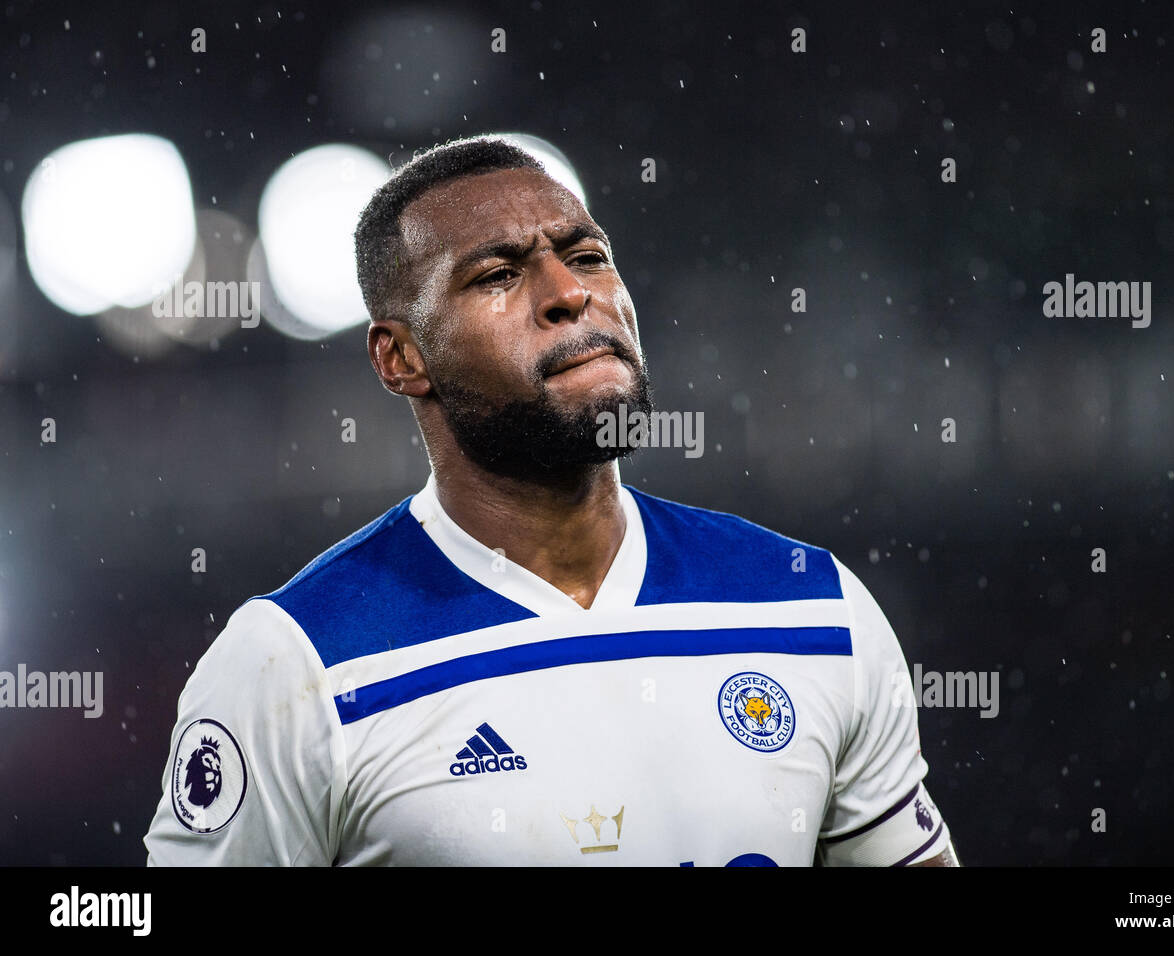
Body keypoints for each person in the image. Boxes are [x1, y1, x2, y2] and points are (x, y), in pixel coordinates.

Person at [144, 135, 959, 866]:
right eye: (498, 275)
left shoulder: (812, 608)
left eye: (589, 255)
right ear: (400, 359)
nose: (569, 292)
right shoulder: (300, 663)